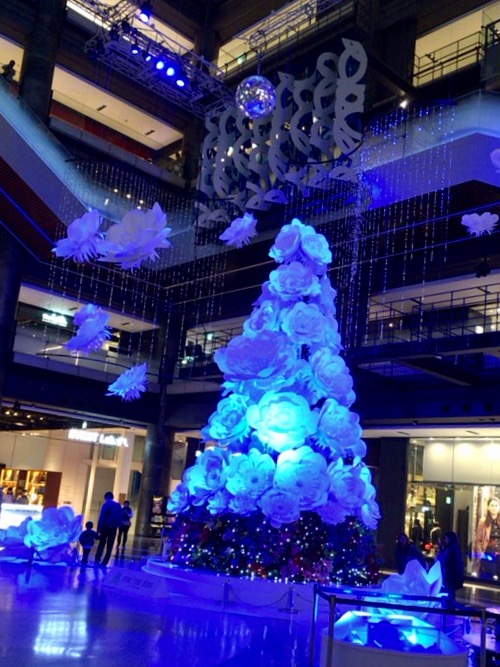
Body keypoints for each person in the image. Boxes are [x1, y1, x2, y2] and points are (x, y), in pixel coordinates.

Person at [473, 496, 500, 579]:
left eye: (496, 505)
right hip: (487, 552)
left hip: (498, 552)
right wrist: (480, 553)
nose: (494, 508)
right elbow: (478, 540)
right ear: (488, 507)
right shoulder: (483, 521)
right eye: (492, 505)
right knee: (489, 576)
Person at [94, 491, 123, 567]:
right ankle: (105, 562)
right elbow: (120, 517)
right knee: (110, 546)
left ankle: (97, 559)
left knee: (101, 544)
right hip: (114, 528)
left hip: (105, 527)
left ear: (106, 497)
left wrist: (98, 530)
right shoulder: (118, 505)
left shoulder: (106, 504)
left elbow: (102, 517)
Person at [438, 531, 464, 608]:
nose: (446, 540)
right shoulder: (454, 547)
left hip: (450, 573)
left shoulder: (451, 548)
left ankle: (450, 605)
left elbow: (446, 560)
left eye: (446, 538)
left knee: (450, 590)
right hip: (452, 573)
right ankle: (450, 604)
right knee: (450, 590)